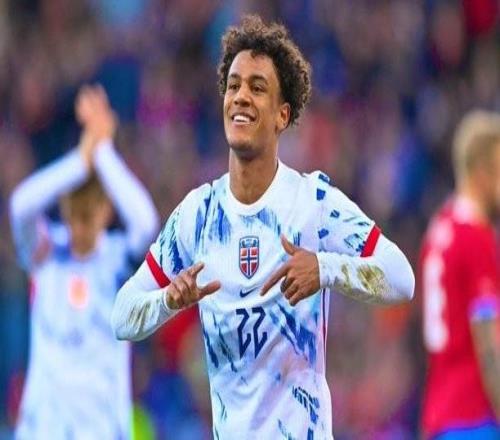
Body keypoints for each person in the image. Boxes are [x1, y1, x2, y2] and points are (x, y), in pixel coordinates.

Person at [111, 15, 414, 439]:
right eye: (233, 85)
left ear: (282, 115)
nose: (241, 97)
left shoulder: (313, 201)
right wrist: (168, 300)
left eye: (257, 88)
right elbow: (122, 316)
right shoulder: (199, 213)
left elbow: (401, 278)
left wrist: (324, 269)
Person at [10, 85, 159, 439]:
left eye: (88, 215)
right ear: (63, 206)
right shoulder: (45, 253)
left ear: (106, 210)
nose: (78, 225)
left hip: (101, 429)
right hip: (43, 429)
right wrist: (81, 159)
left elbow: (146, 222)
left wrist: (103, 151)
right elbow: (20, 206)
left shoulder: (118, 260)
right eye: (73, 213)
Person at [421, 111, 500, 439]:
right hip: (474, 416)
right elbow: (488, 343)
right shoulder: (475, 236)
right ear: (482, 172)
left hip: (440, 413)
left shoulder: (439, 229)